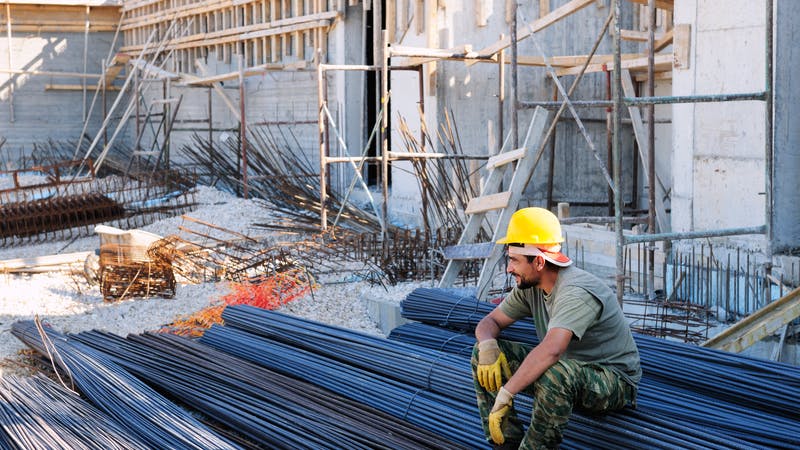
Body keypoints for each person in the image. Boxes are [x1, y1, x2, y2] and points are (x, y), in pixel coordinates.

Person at [470, 207, 641, 450]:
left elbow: (552, 351)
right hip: (568, 370)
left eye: (514, 260)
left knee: (556, 373)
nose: (509, 268)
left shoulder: (575, 292)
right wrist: (487, 345)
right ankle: (505, 442)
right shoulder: (530, 288)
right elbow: (490, 322)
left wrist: (507, 393)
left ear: (538, 261)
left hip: (612, 380)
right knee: (484, 356)